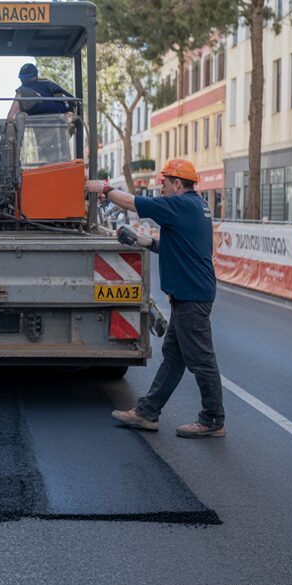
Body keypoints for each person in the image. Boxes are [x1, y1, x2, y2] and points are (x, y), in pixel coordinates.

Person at [86, 159, 225, 438]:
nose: (161, 189)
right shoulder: (194, 206)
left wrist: (104, 188)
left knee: (201, 360)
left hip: (192, 295)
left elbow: (135, 203)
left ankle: (213, 419)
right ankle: (147, 412)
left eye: (164, 184)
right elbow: (173, 246)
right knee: (174, 358)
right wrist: (139, 240)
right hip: (189, 293)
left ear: (177, 183)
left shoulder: (182, 204)